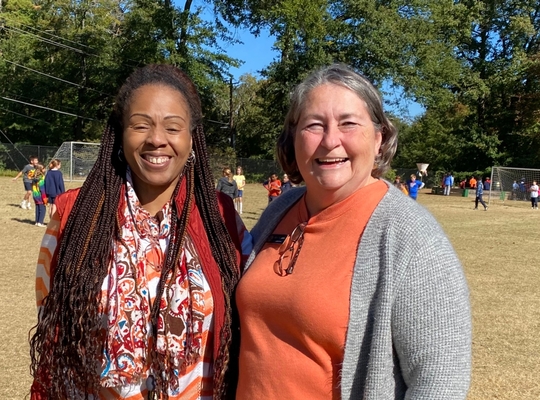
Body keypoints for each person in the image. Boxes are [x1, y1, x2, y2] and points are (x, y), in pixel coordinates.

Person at [236, 64, 471, 399]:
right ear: (294, 139)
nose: (330, 141)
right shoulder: (280, 209)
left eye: (348, 124)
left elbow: (441, 379)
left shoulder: (410, 236)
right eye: (314, 125)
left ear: (379, 139)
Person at [30, 64, 252, 400]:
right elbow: (51, 319)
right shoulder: (75, 214)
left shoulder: (222, 219)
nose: (157, 139)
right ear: (121, 135)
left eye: (173, 127)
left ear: (192, 138)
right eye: (140, 125)